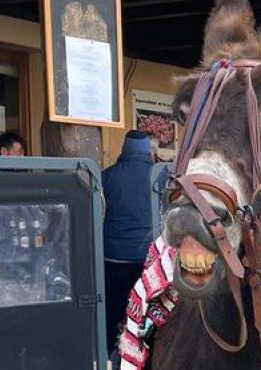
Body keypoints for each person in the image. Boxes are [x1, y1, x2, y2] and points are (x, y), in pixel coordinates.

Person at [102, 130, 155, 356]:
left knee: (114, 308)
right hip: (147, 258)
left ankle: (111, 352)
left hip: (112, 256)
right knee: (145, 308)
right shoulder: (158, 176)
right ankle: (142, 351)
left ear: (124, 149)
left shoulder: (107, 176)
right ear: (148, 151)